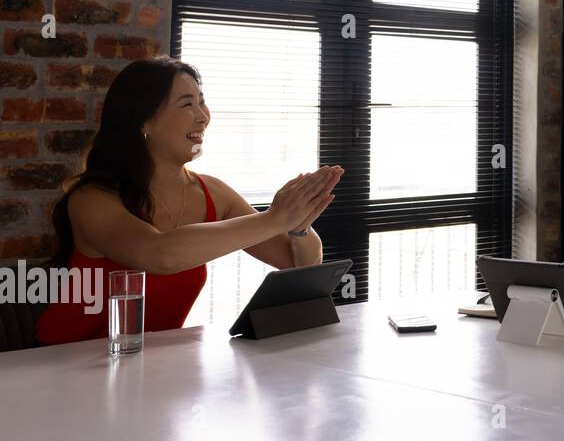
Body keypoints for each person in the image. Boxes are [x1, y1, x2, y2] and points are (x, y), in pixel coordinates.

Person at [36, 57, 342, 345]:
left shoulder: (213, 193)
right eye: (187, 104)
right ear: (144, 121)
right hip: (64, 365)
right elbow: (160, 256)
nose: (203, 116)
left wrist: (299, 227)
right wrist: (274, 219)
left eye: (202, 102)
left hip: (154, 368)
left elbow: (296, 262)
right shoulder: (91, 199)